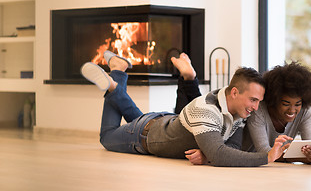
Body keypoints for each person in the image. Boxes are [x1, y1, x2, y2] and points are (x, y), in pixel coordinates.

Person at [81, 51, 292, 167]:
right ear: (235, 92)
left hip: (160, 124)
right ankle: (115, 80)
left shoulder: (236, 110)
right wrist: (266, 157)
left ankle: (118, 72)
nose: (256, 108)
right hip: (144, 137)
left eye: (258, 101)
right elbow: (220, 154)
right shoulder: (207, 110)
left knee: (139, 119)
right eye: (253, 100)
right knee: (106, 137)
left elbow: (231, 148)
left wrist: (208, 154)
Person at [242, 61, 311, 165]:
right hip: (248, 166)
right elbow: (265, 153)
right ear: (274, 100)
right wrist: (301, 158)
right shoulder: (258, 109)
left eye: (297, 104)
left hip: (277, 170)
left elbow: (310, 147)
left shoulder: (305, 111)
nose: (292, 110)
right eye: (286, 104)